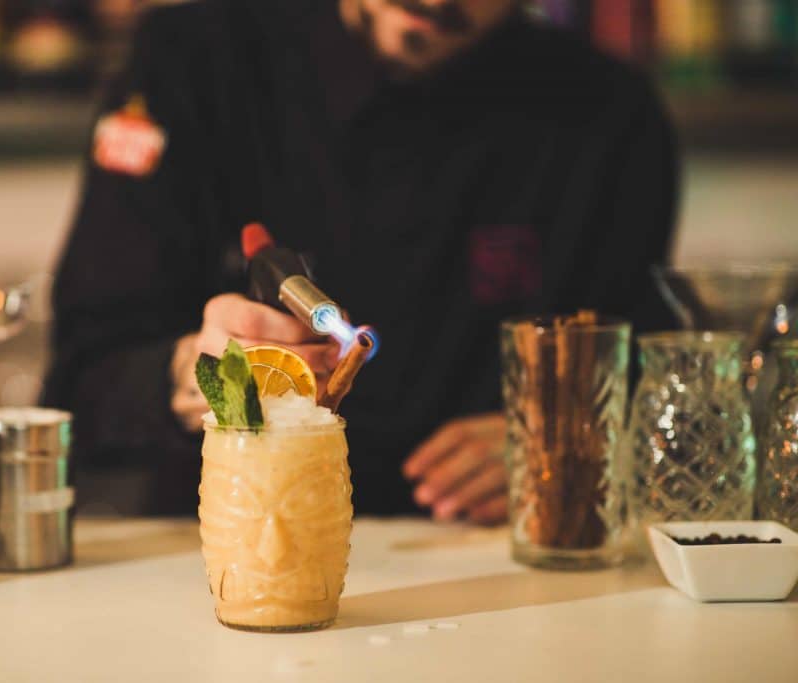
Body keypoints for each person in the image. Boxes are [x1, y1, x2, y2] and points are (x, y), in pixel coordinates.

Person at [43, 0, 679, 521]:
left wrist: (565, 441)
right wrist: (189, 373)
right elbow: (78, 387)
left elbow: (654, 391)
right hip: (228, 555)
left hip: (490, 570)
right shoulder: (193, 61)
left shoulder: (609, 119)